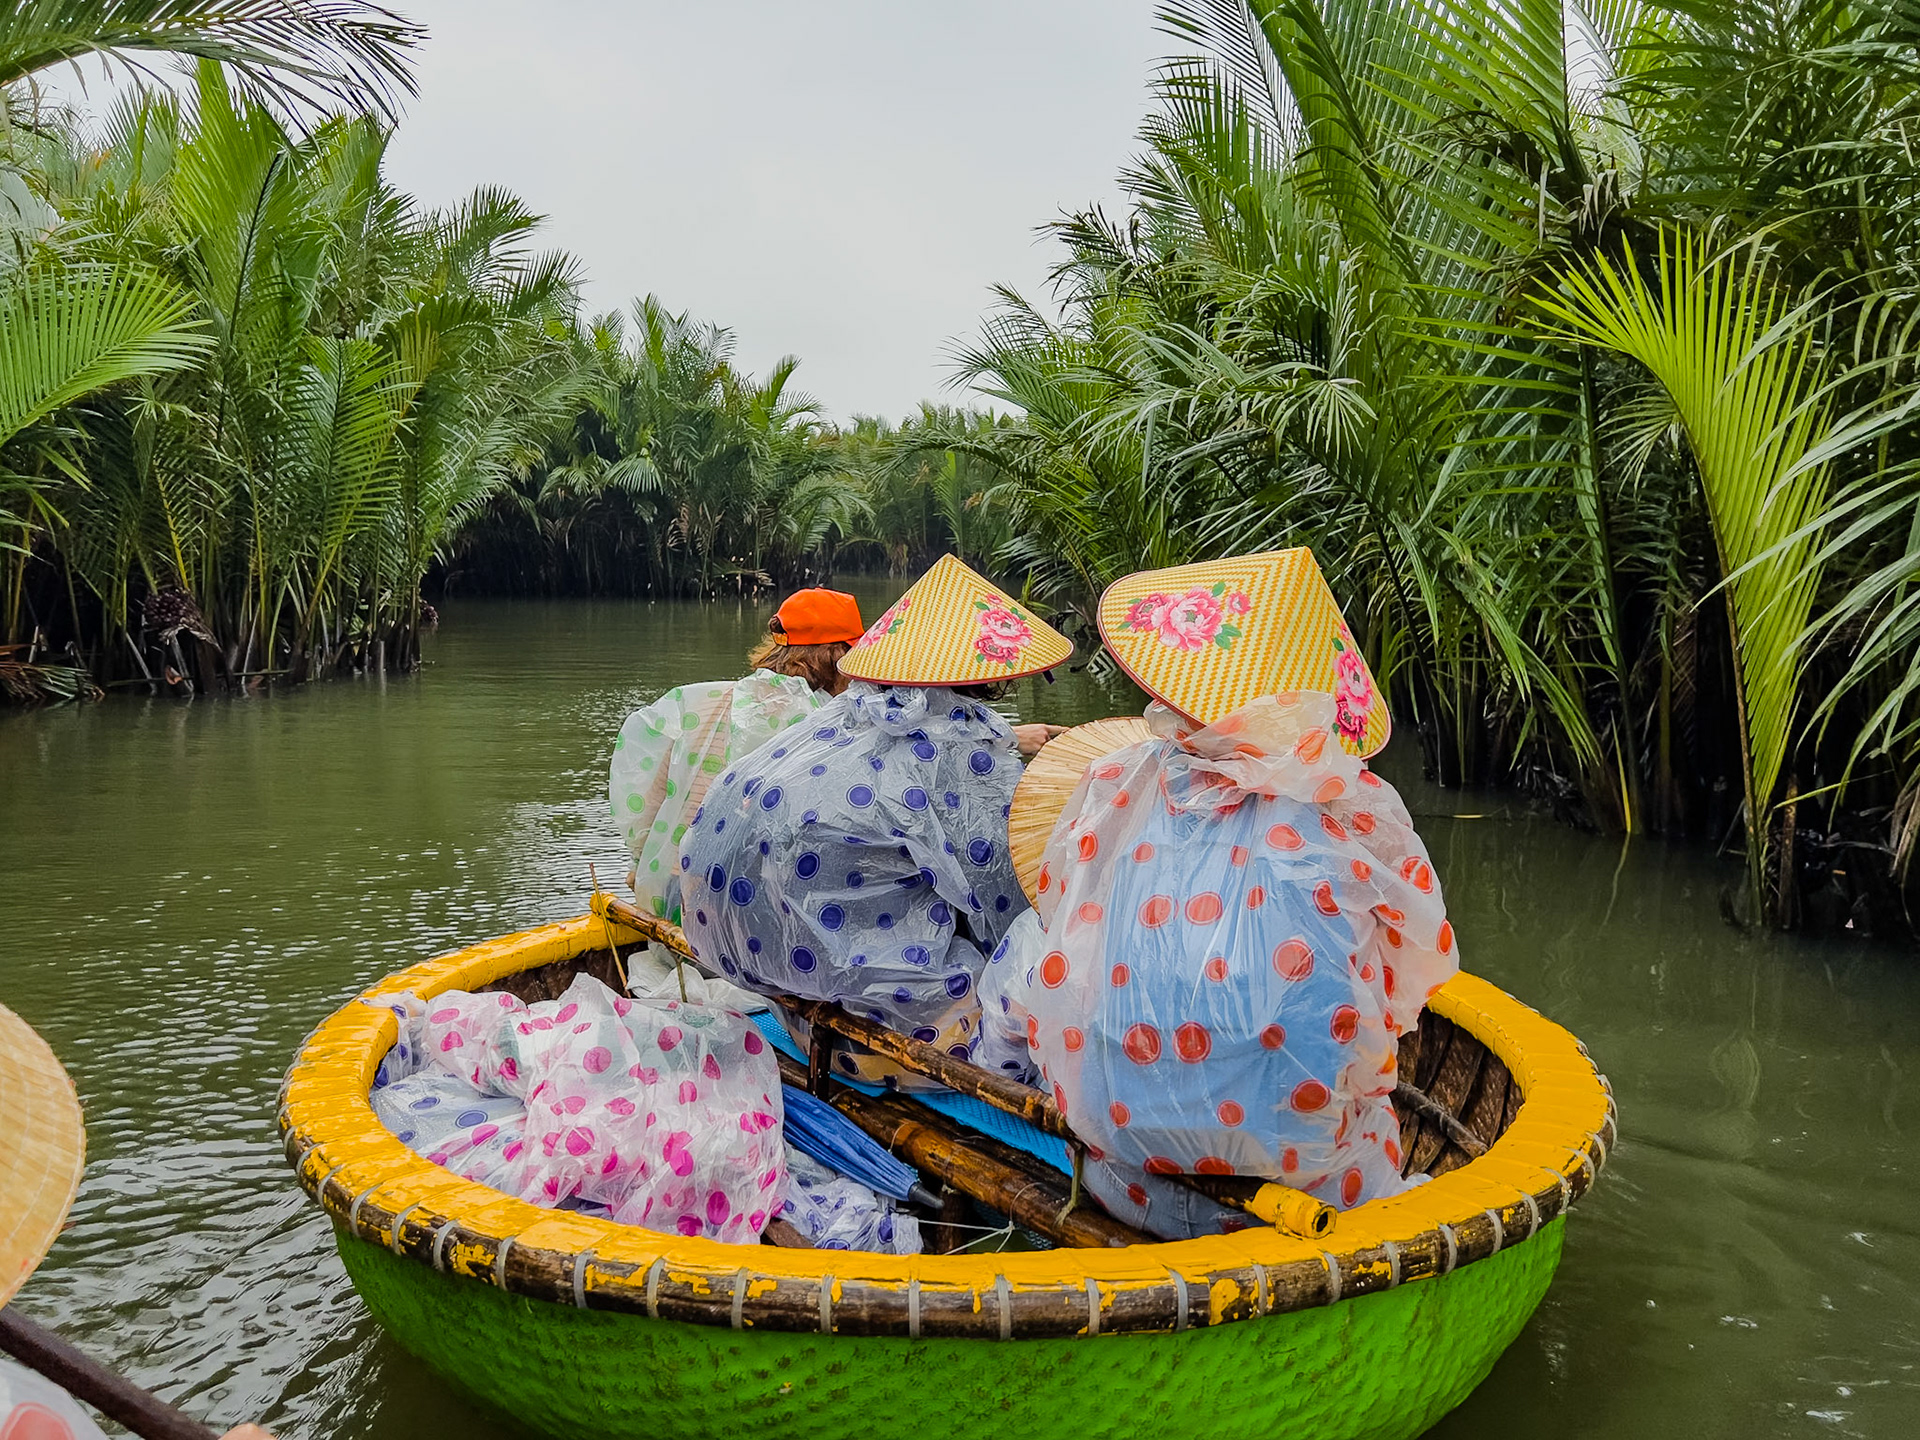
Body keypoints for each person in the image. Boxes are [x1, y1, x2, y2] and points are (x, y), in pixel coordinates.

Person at [990, 549, 1458, 1238]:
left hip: (1124, 1179)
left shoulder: (1122, 781)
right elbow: (1410, 982)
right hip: (1309, 1193)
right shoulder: (1348, 809)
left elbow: (1060, 920)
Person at [675, 555, 1072, 1083]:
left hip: (790, 1005)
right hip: (883, 1036)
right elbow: (1003, 903)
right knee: (1041, 947)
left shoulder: (842, 715)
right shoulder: (966, 751)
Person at [610, 587, 866, 921]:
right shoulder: (823, 723)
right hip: (747, 899)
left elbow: (650, 800)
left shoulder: (701, 701)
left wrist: (640, 863)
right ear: (839, 656)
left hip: (673, 883)